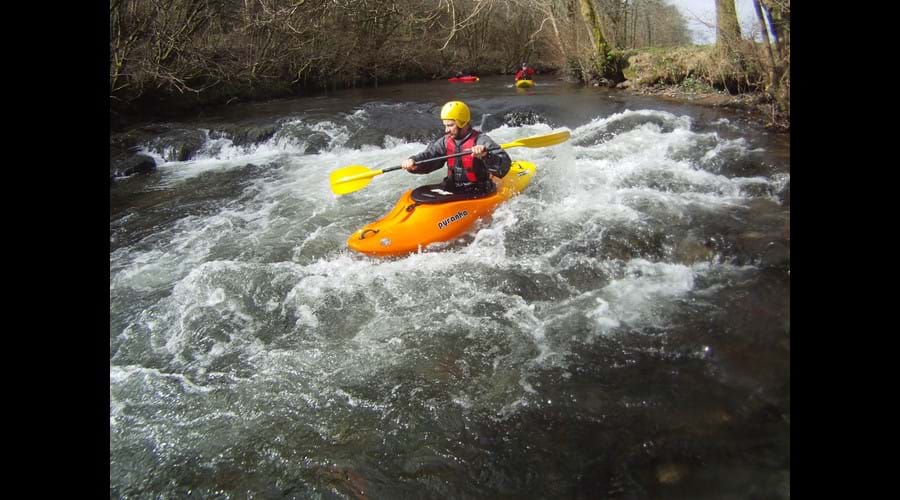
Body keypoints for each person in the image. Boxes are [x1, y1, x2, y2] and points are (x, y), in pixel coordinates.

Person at [401, 101, 511, 196]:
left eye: (450, 125)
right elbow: (430, 156)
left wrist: (486, 155)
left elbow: (504, 166)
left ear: (462, 123)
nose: (446, 130)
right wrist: (414, 162)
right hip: (452, 186)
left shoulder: (481, 140)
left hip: (477, 190)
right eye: (445, 125)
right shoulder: (445, 141)